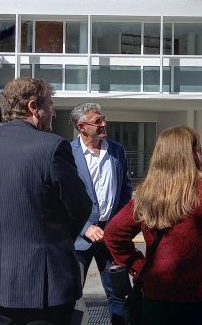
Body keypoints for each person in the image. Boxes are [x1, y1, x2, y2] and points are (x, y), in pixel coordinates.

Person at [0, 77, 92, 325]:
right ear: (33, 107)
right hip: (45, 283)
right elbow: (80, 206)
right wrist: (57, 238)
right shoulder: (52, 146)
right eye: (50, 105)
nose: (54, 113)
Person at [104, 126, 202, 325]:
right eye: (196, 147)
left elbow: (113, 233)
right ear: (189, 154)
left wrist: (140, 267)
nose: (201, 153)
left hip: (158, 300)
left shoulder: (147, 195)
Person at [70, 103, 133, 325]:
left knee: (118, 293)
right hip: (79, 237)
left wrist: (118, 224)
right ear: (81, 127)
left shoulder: (117, 150)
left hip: (110, 235)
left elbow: (126, 189)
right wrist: (85, 227)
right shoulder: (67, 152)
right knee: (71, 296)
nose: (104, 124)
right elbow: (63, 198)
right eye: (97, 121)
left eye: (103, 118)